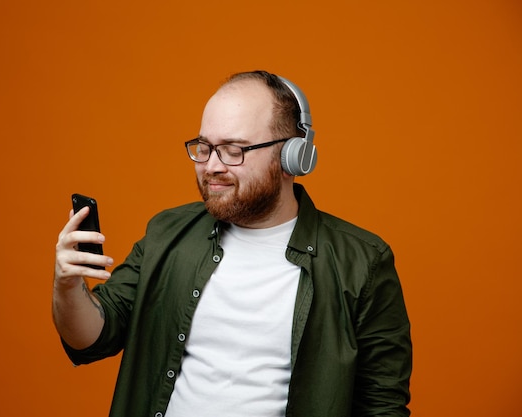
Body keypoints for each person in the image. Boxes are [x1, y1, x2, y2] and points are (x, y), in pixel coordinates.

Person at [52, 70, 412, 417]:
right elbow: (93, 338)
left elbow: (382, 404)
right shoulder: (167, 232)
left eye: (233, 150)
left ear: (292, 156)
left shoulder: (363, 262)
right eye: (204, 147)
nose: (211, 166)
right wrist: (68, 287)